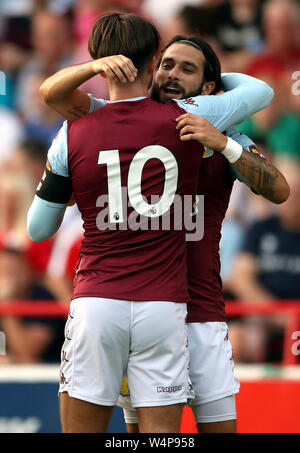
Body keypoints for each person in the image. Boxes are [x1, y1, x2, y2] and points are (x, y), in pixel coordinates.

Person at [28, 14, 274, 433]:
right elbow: (262, 90)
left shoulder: (78, 126)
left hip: (98, 300)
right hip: (165, 307)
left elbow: (37, 229)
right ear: (153, 61)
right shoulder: (190, 116)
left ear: (97, 59)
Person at [230, 157, 300, 363]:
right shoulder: (261, 229)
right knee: (238, 339)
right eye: (289, 192)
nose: (290, 199)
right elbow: (242, 279)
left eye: (297, 194)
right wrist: (279, 315)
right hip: (262, 316)